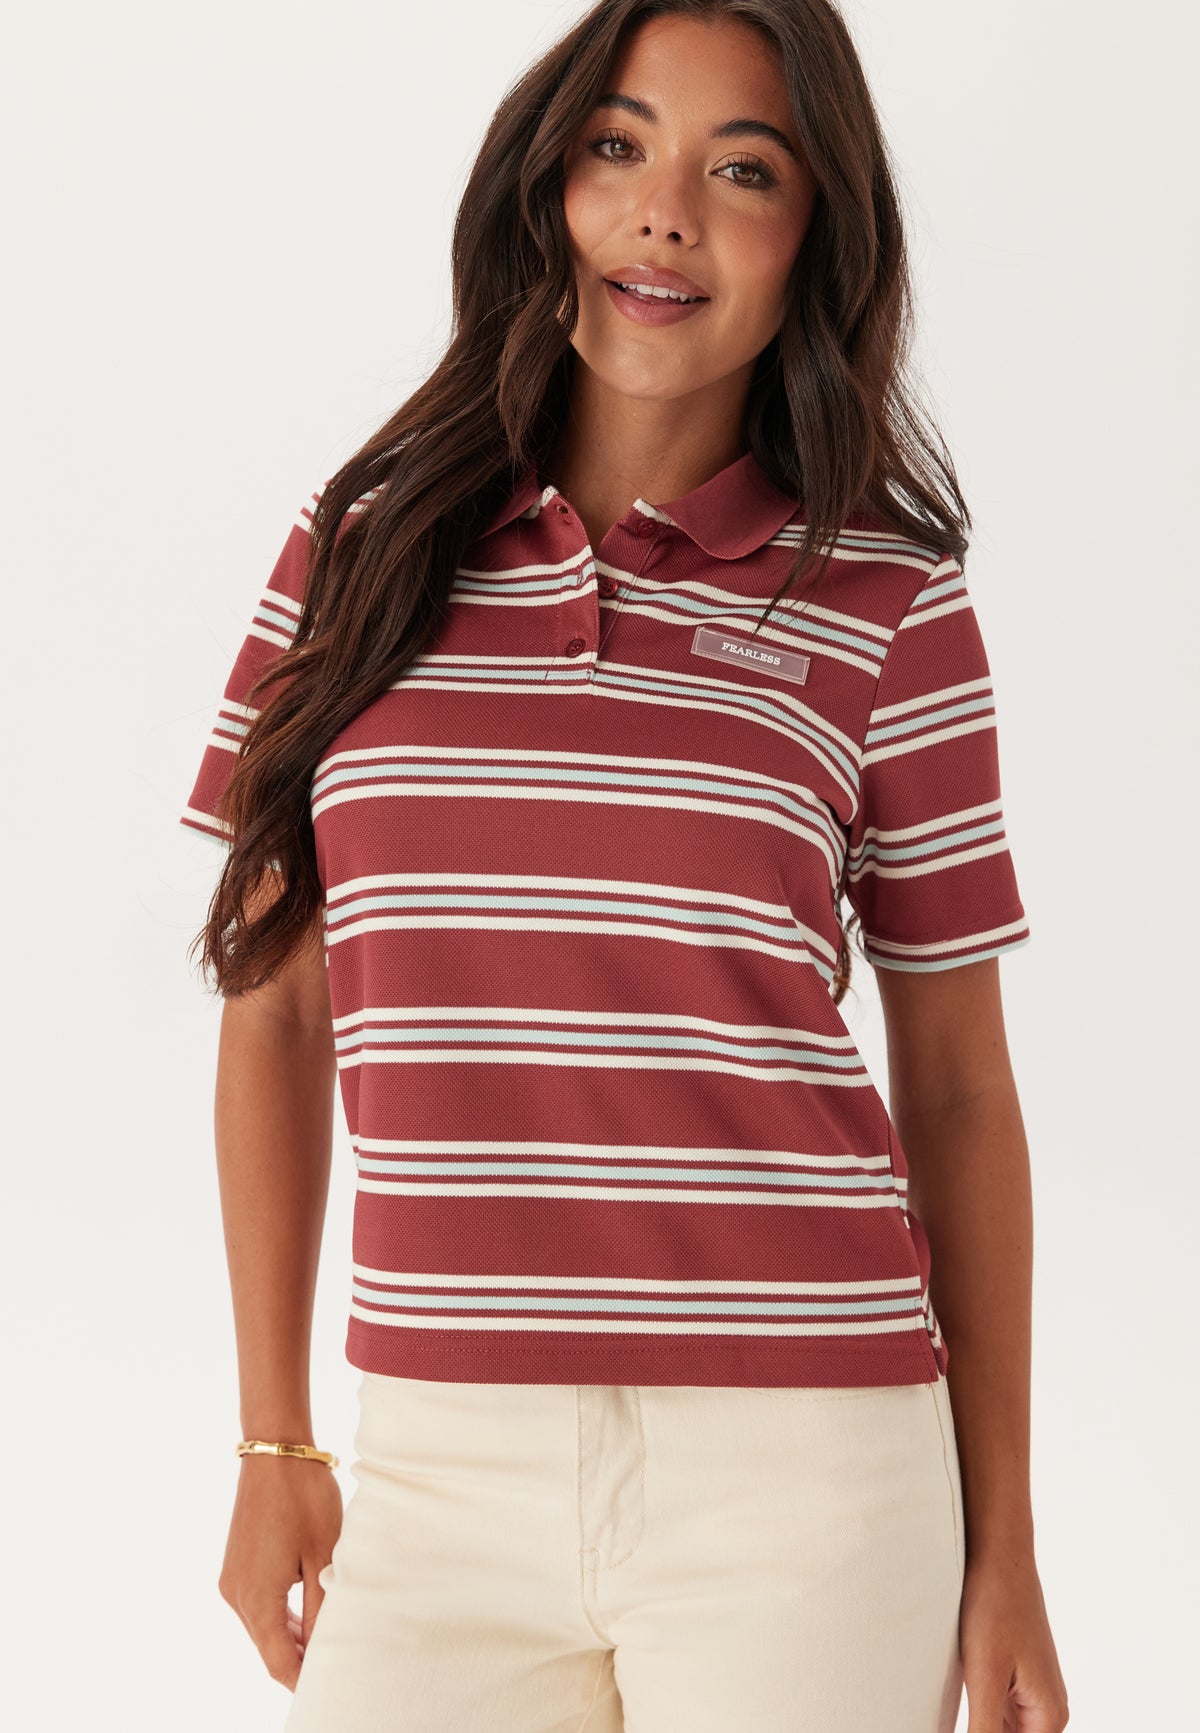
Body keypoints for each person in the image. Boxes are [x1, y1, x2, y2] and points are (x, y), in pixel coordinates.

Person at [179, 3, 1069, 1729]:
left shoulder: (888, 600)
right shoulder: (358, 556)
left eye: (745, 171)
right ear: (548, 188)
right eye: (618, 146)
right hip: (434, 1467)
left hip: (809, 1479)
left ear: (815, 240)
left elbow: (959, 1083)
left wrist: (1008, 1536)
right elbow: (274, 1012)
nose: (665, 212)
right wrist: (272, 1437)